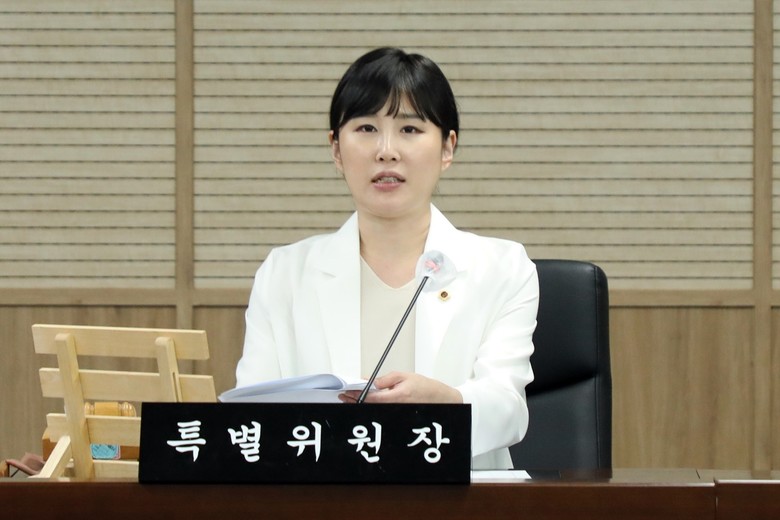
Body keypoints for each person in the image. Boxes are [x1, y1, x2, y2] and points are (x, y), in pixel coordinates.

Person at [234, 47, 538, 469]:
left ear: (447, 148)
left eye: (410, 129)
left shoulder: (504, 268)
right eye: (366, 128)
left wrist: (449, 403)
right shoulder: (284, 274)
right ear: (336, 149)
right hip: (322, 495)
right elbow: (251, 414)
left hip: (459, 496)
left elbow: (508, 409)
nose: (387, 151)